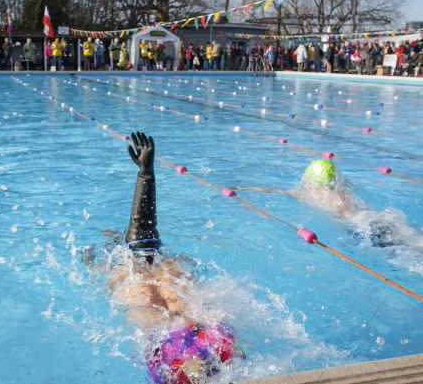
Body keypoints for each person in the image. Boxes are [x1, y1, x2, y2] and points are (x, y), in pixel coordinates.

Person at [94, 132, 246, 384]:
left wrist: (145, 174)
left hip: (167, 349)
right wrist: (146, 174)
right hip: (207, 334)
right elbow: (142, 233)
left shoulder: (123, 270)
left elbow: (140, 235)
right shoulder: (172, 267)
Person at [233, 159, 404, 248]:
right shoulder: (344, 191)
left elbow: (275, 191)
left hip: (361, 230)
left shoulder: (310, 195)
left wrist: (243, 187)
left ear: (312, 182)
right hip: (376, 220)